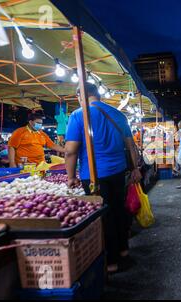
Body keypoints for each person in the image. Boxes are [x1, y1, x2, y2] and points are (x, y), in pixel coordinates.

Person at [65, 83, 142, 274]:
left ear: (80, 95)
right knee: (118, 210)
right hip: (118, 172)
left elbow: (70, 151)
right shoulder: (118, 115)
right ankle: (123, 250)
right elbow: (131, 145)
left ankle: (112, 261)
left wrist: (70, 177)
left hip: (93, 176)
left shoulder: (78, 115)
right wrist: (135, 169)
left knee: (103, 218)